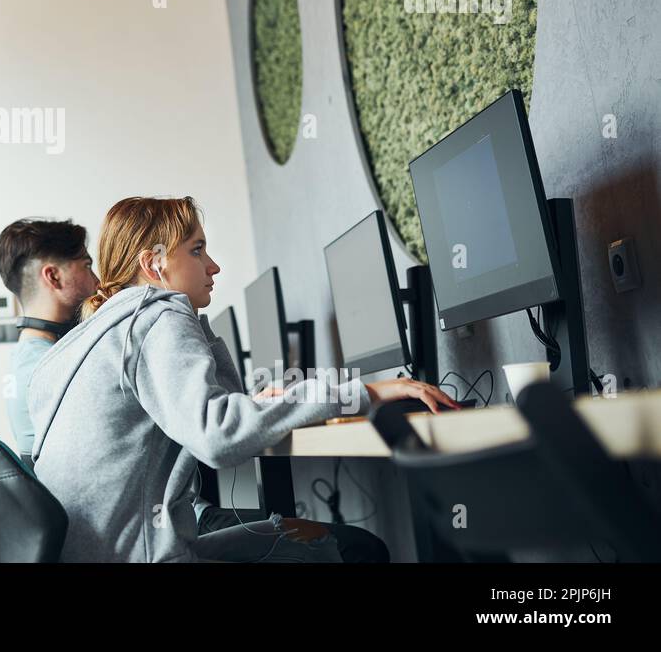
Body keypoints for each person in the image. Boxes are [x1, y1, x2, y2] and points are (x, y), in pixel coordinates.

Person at [27, 196, 458, 563]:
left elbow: (221, 409)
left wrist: (209, 339)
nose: (213, 265)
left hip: (113, 552)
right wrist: (364, 393)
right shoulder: (154, 314)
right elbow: (220, 438)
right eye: (196, 250)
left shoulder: (78, 343)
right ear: (152, 264)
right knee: (357, 549)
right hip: (145, 556)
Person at [0, 218, 98, 458]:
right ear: (53, 277)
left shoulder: (24, 357)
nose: (98, 281)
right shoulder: (50, 365)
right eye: (87, 266)